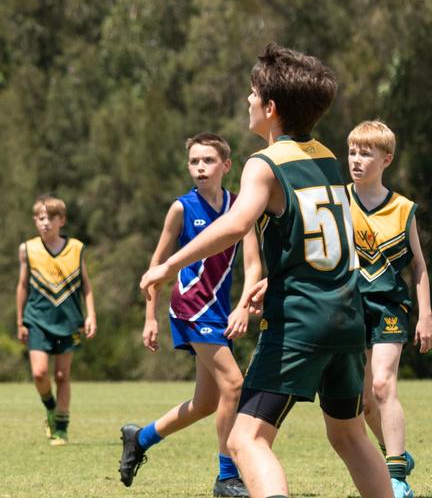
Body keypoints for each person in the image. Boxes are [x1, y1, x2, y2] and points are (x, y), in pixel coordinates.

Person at [140, 44, 390, 498]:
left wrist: (167, 266)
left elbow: (235, 225)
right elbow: (327, 242)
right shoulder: (327, 158)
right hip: (347, 317)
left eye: (253, 94)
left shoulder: (264, 163)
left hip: (299, 323)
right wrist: (274, 278)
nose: (247, 101)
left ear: (271, 108)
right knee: (350, 436)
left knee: (245, 438)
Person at [119, 132, 262, 497]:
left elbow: (252, 264)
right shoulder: (181, 209)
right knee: (233, 383)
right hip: (190, 308)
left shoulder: (240, 206)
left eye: (209, 161)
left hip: (219, 312)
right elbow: (158, 265)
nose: (201, 167)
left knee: (206, 403)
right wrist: (150, 317)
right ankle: (227, 477)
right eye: (195, 161)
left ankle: (141, 438)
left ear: (226, 166)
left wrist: (243, 305)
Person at [346, 120, 431, 498]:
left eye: (366, 153)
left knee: (383, 384)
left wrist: (426, 315)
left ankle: (396, 479)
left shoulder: (403, 208)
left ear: (386, 159)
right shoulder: (336, 201)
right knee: (365, 404)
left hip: (390, 306)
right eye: (352, 152)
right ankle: (396, 456)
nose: (357, 160)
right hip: (348, 306)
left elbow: (418, 265)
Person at [15, 194, 96, 447]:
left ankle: (61, 427)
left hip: (69, 320)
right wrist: (19, 320)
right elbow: (21, 286)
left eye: (51, 218)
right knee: (39, 373)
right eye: (41, 218)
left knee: (62, 375)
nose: (45, 223)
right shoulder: (27, 249)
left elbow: (86, 286)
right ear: (34, 221)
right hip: (37, 319)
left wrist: (91, 314)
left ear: (62, 220)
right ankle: (50, 407)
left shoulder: (76, 248)